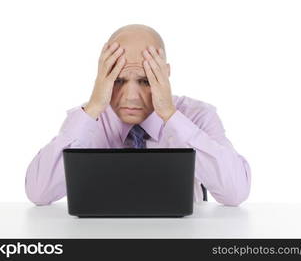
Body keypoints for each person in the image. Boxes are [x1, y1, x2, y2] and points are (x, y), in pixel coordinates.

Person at [25, 24, 251, 207]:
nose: (131, 97)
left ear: (165, 74)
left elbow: (236, 192)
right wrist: (94, 107)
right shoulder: (88, 120)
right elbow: (38, 192)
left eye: (145, 81)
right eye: (118, 80)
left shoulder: (197, 116)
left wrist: (170, 115)